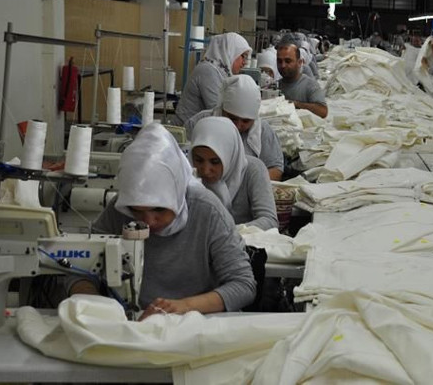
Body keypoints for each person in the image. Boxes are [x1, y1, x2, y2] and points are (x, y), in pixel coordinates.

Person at [68, 123, 255, 320]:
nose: (148, 221)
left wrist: (184, 306)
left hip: (196, 321)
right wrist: (96, 306)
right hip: (134, 322)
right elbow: (79, 271)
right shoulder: (119, 210)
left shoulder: (208, 211)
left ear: (176, 194)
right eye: (136, 211)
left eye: (159, 209)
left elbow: (244, 285)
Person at [186, 75, 284, 181]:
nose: (238, 125)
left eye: (245, 121)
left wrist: (249, 183)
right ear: (223, 110)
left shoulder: (263, 131)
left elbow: (275, 169)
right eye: (232, 118)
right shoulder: (199, 123)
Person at [191, 117, 279, 230]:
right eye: (198, 160)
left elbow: (269, 220)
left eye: (215, 162)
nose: (206, 170)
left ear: (230, 156)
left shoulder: (253, 170)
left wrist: (227, 234)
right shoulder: (188, 176)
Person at [175, 32, 252, 125]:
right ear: (230, 52)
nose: (244, 62)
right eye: (243, 56)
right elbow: (219, 109)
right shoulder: (208, 71)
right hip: (186, 129)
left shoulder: (221, 72)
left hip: (201, 127)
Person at [276, 40, 328, 118]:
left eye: (288, 61)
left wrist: (294, 104)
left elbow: (323, 111)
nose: (283, 65)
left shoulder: (310, 85)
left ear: (299, 62)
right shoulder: (275, 86)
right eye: (279, 61)